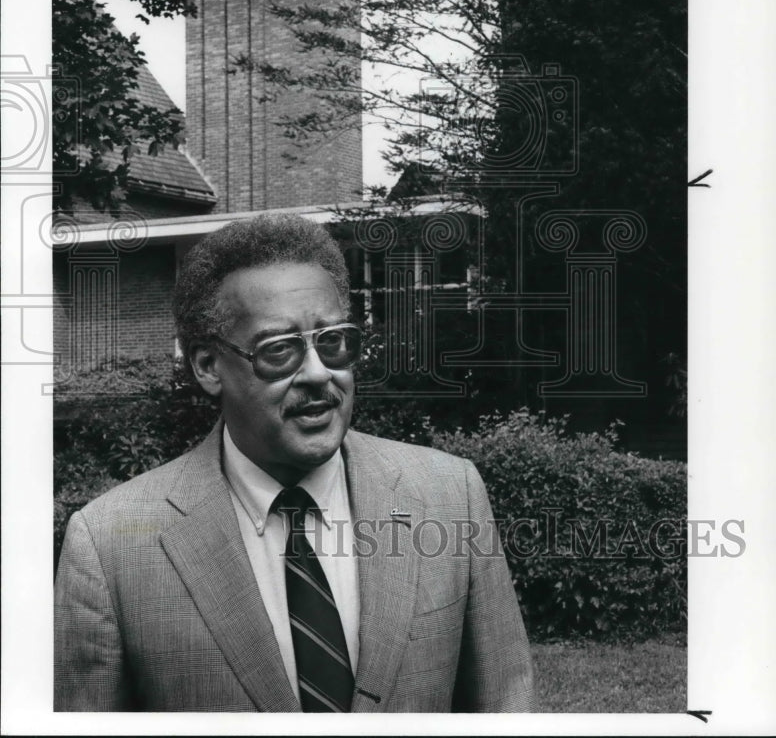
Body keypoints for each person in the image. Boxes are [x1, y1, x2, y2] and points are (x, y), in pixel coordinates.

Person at [54, 214, 535, 712]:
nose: (317, 372)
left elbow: (504, 705)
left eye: (333, 342)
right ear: (207, 365)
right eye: (279, 349)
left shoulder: (450, 495)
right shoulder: (111, 546)